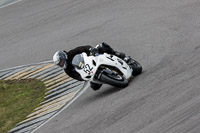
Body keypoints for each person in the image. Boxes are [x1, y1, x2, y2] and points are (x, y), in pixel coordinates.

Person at [53, 42, 131, 90]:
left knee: (102, 47)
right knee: (94, 87)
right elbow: (78, 77)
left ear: (63, 56)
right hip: (90, 72)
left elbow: (84, 48)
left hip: (92, 58)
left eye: (61, 61)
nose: (62, 64)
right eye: (60, 64)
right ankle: (111, 78)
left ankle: (120, 56)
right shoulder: (67, 70)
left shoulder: (72, 53)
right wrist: (85, 77)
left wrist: (91, 50)